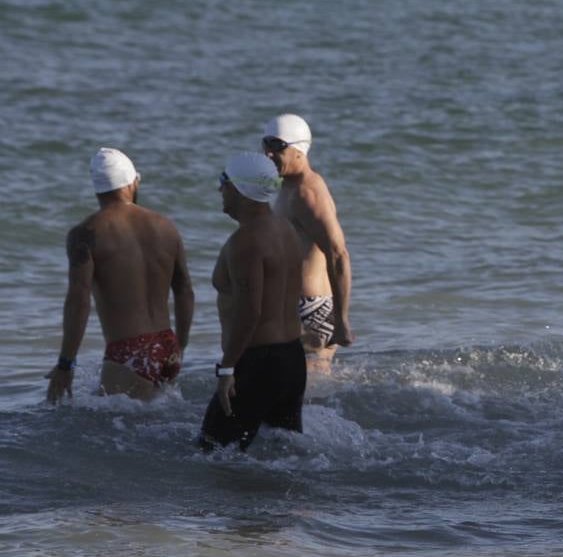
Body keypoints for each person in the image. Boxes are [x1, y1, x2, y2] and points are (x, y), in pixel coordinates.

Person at [46, 148, 194, 402]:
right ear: (132, 182)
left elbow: (79, 301)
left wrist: (65, 364)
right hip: (167, 344)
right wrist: (180, 345)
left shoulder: (85, 233)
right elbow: (184, 291)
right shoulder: (166, 226)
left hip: (129, 352)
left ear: (97, 189)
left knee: (118, 434)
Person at [199, 152, 306, 452]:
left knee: (212, 453)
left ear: (240, 189)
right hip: (292, 359)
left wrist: (227, 368)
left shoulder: (246, 242)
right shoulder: (285, 230)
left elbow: (251, 311)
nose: (220, 189)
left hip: (257, 362)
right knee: (282, 453)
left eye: (224, 181)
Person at [262, 114, 353, 371]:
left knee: (298, 392)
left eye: (277, 146)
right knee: (305, 395)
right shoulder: (290, 185)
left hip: (309, 309)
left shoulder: (308, 191)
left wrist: (342, 319)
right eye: (265, 145)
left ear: (299, 149)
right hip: (300, 307)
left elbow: (338, 254)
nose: (269, 153)